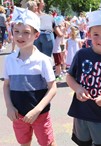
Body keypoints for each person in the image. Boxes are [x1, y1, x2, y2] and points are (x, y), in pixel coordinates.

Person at [66, 8, 101, 146]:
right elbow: (69, 77)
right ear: (89, 34)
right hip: (80, 113)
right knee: (83, 143)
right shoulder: (81, 54)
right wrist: (78, 88)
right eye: (96, 34)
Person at [3, 7, 57, 146]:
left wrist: (37, 110)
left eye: (26, 32)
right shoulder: (9, 59)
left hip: (40, 114)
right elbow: (6, 85)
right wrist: (9, 106)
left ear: (36, 35)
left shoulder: (43, 60)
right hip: (18, 114)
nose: (20, 36)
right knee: (24, 142)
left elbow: (52, 88)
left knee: (48, 143)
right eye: (17, 32)